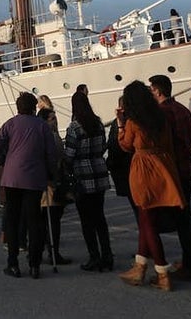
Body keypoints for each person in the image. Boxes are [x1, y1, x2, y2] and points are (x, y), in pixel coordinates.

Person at [115, 80, 185, 292]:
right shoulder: (161, 117)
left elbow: (126, 145)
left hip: (143, 170)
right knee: (148, 220)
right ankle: (140, 267)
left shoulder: (133, 122)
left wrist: (120, 124)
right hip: (163, 167)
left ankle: (162, 273)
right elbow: (170, 144)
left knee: (147, 221)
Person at [0, 91, 58, 279]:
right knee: (34, 221)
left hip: (12, 178)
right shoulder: (42, 126)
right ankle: (34, 265)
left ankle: (13, 264)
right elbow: (51, 152)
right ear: (33, 107)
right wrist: (51, 172)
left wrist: (1, 160)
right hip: (35, 179)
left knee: (12, 220)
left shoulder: (10, 124)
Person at [148, 74, 191, 281]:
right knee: (186, 216)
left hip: (172, 170)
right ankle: (189, 261)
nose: (151, 94)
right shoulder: (183, 110)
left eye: (152, 90)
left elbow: (159, 144)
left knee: (178, 218)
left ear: (158, 91)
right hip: (186, 166)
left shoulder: (162, 113)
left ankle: (188, 266)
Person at [64, 91, 113, 273]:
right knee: (100, 218)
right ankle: (107, 255)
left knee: (86, 220)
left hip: (82, 177)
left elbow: (69, 154)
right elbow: (103, 146)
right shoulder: (98, 123)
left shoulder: (75, 127)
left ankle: (94, 257)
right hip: (99, 175)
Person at [37, 107, 71, 265]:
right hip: (52, 182)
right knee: (52, 219)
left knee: (48, 218)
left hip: (47, 181)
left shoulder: (45, 135)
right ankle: (53, 252)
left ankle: (46, 249)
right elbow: (59, 156)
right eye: (51, 118)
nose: (55, 121)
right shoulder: (51, 136)